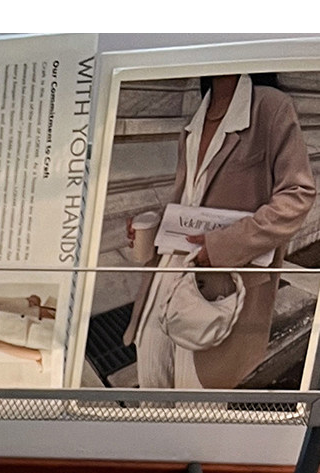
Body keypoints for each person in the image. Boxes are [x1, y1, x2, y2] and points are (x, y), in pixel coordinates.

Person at [123, 73, 316, 388]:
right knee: (151, 383)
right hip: (168, 273)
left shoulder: (270, 106)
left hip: (219, 283)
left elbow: (298, 194)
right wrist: (156, 225)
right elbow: (192, 198)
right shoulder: (198, 115)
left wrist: (224, 246)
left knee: (197, 398)